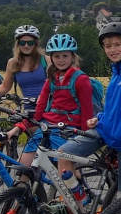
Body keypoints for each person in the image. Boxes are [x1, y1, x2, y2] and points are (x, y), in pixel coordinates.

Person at [56, 22, 121, 214]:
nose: (112, 49)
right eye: (108, 46)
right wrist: (99, 118)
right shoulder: (117, 72)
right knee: (63, 156)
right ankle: (82, 206)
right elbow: (114, 108)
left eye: (117, 44)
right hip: (104, 130)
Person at [8, 33, 93, 171]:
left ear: (72, 57)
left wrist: (83, 139)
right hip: (48, 127)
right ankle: (24, 191)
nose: (61, 60)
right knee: (23, 167)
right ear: (51, 58)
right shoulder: (52, 78)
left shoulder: (80, 79)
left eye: (65, 56)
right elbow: (40, 107)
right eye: (57, 56)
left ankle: (76, 189)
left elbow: (87, 111)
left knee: (65, 175)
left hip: (69, 129)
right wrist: (21, 126)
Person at [0, 25, 47, 115]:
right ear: (18, 44)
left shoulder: (46, 61)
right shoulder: (13, 63)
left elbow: (57, 84)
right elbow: (5, 86)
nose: (26, 46)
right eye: (22, 43)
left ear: (36, 44)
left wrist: (44, 96)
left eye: (30, 43)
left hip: (49, 107)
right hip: (29, 109)